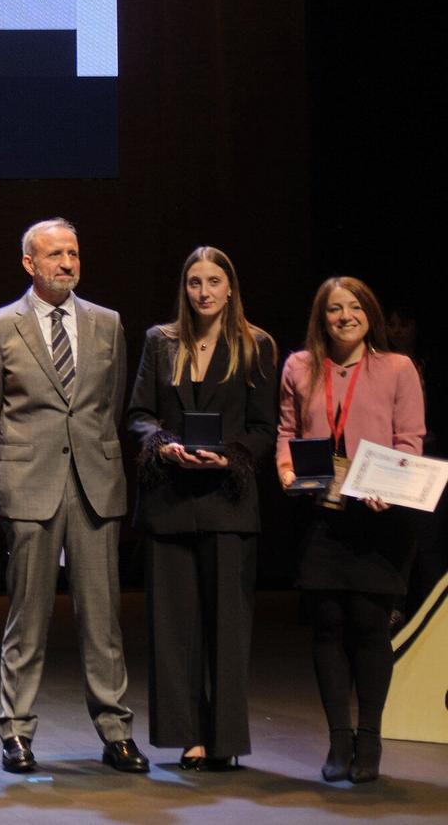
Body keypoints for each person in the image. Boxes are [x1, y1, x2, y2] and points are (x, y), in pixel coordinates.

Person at [0, 218, 145, 775]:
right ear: (30, 263)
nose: (67, 263)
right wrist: (20, 466)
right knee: (28, 617)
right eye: (54, 255)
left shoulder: (107, 324)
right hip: (30, 487)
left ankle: (116, 730)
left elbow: (110, 407)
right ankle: (17, 731)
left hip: (95, 486)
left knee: (103, 619)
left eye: (73, 252)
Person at [125, 247, 277, 772]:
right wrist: (165, 444)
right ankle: (187, 737)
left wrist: (226, 456)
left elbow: (263, 428)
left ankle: (224, 737)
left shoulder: (255, 346)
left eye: (214, 281)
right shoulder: (160, 342)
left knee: (226, 628)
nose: (204, 291)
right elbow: (139, 413)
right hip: (170, 502)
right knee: (173, 629)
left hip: (228, 503)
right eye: (194, 282)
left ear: (230, 287)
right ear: (184, 288)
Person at [276, 276, 426, 784]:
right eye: (334, 309)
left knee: (368, 623)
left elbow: (409, 441)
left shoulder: (397, 368)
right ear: (322, 319)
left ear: (369, 313)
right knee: (328, 624)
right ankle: (339, 741)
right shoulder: (299, 365)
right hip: (323, 511)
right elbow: (287, 432)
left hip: (380, 516)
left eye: (355, 307)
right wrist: (288, 474)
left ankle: (370, 741)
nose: (345, 316)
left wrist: (394, 485)